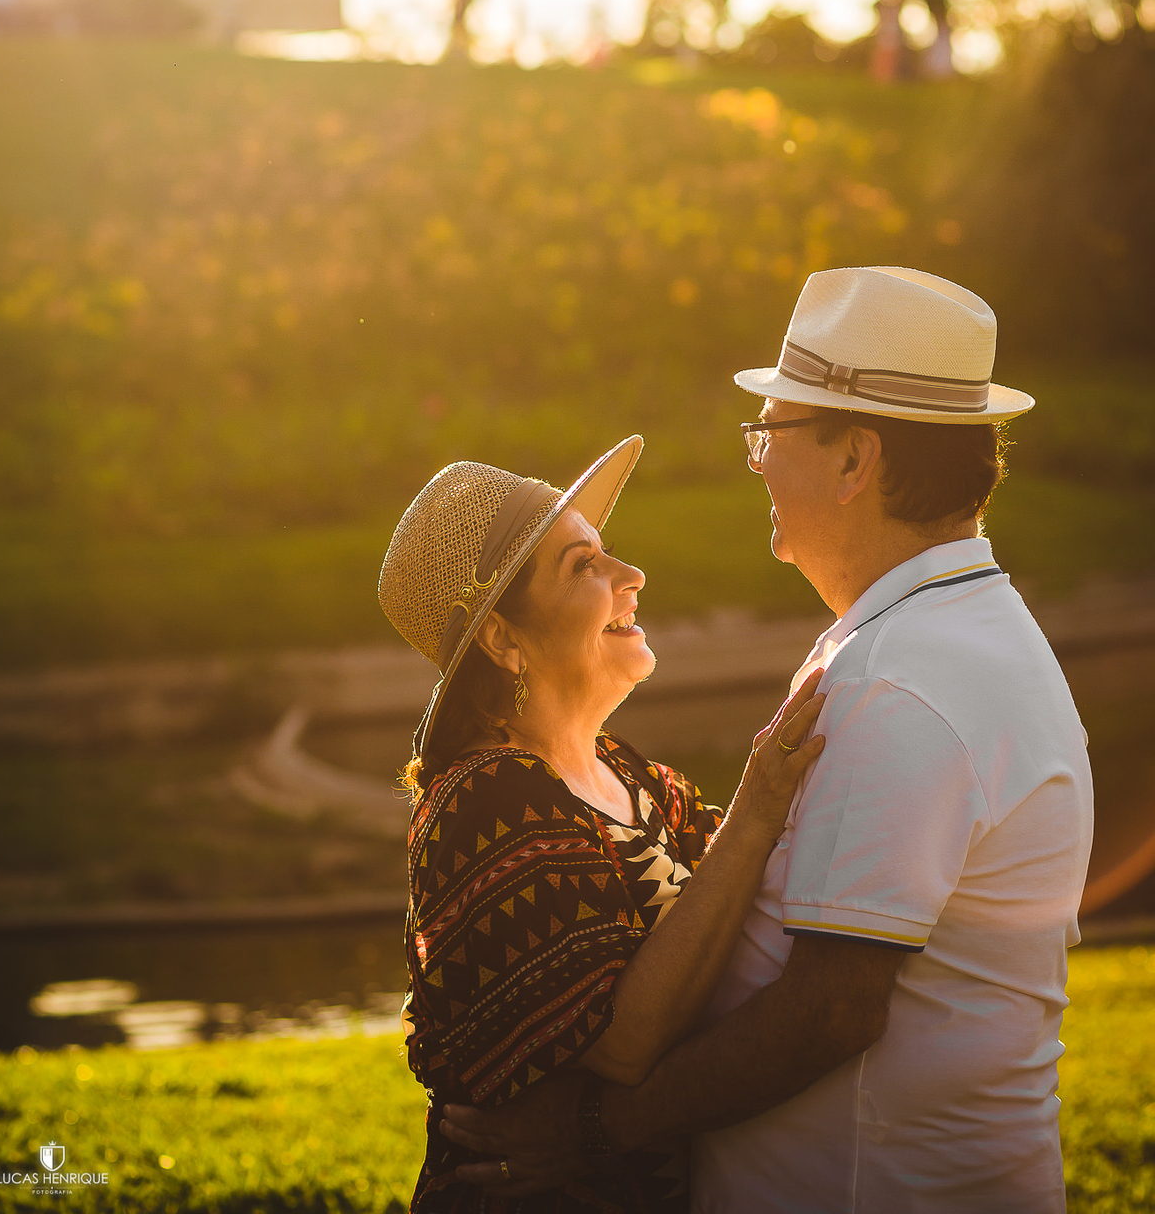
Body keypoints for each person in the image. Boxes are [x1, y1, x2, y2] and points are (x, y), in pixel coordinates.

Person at [444, 265, 1094, 1213]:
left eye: (772, 434)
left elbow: (831, 1009)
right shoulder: (939, 635)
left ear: (852, 462)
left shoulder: (899, 678)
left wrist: (592, 1132)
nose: (756, 462)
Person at [378, 435, 826, 1212]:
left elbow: (744, 907)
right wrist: (755, 809)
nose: (631, 577)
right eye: (583, 566)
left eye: (605, 553)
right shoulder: (489, 799)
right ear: (503, 640)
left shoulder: (633, 777)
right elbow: (621, 1045)